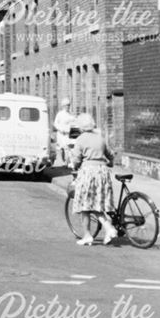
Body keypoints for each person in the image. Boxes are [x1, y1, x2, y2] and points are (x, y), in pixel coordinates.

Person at [70, 113, 117, 246]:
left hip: (88, 173)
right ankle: (108, 228)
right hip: (102, 173)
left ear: (81, 126)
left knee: (85, 206)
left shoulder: (80, 139)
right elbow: (110, 154)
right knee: (98, 203)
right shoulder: (100, 138)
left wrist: (74, 165)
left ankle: (87, 235)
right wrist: (110, 163)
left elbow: (76, 159)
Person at [52, 98, 75, 166]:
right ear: (63, 106)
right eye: (66, 105)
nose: (68, 107)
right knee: (62, 148)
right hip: (62, 134)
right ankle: (64, 161)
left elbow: (74, 121)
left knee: (68, 148)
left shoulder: (71, 114)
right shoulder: (60, 114)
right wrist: (61, 129)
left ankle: (67, 162)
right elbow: (55, 123)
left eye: (69, 105)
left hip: (69, 134)